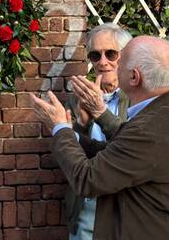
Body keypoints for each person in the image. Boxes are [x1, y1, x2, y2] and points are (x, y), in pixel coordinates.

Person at [32, 36, 169, 240]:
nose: (105, 64)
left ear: (134, 77)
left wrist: (60, 129)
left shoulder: (151, 126)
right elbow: (118, 148)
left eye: (119, 60)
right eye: (95, 55)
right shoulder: (167, 114)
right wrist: (73, 132)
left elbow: (87, 179)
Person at [65, 23, 132, 240]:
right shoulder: (77, 99)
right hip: (88, 206)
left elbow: (132, 150)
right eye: (95, 55)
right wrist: (81, 125)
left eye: (111, 54)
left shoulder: (138, 99)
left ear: (125, 56)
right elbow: (68, 157)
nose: (103, 62)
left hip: (126, 205)